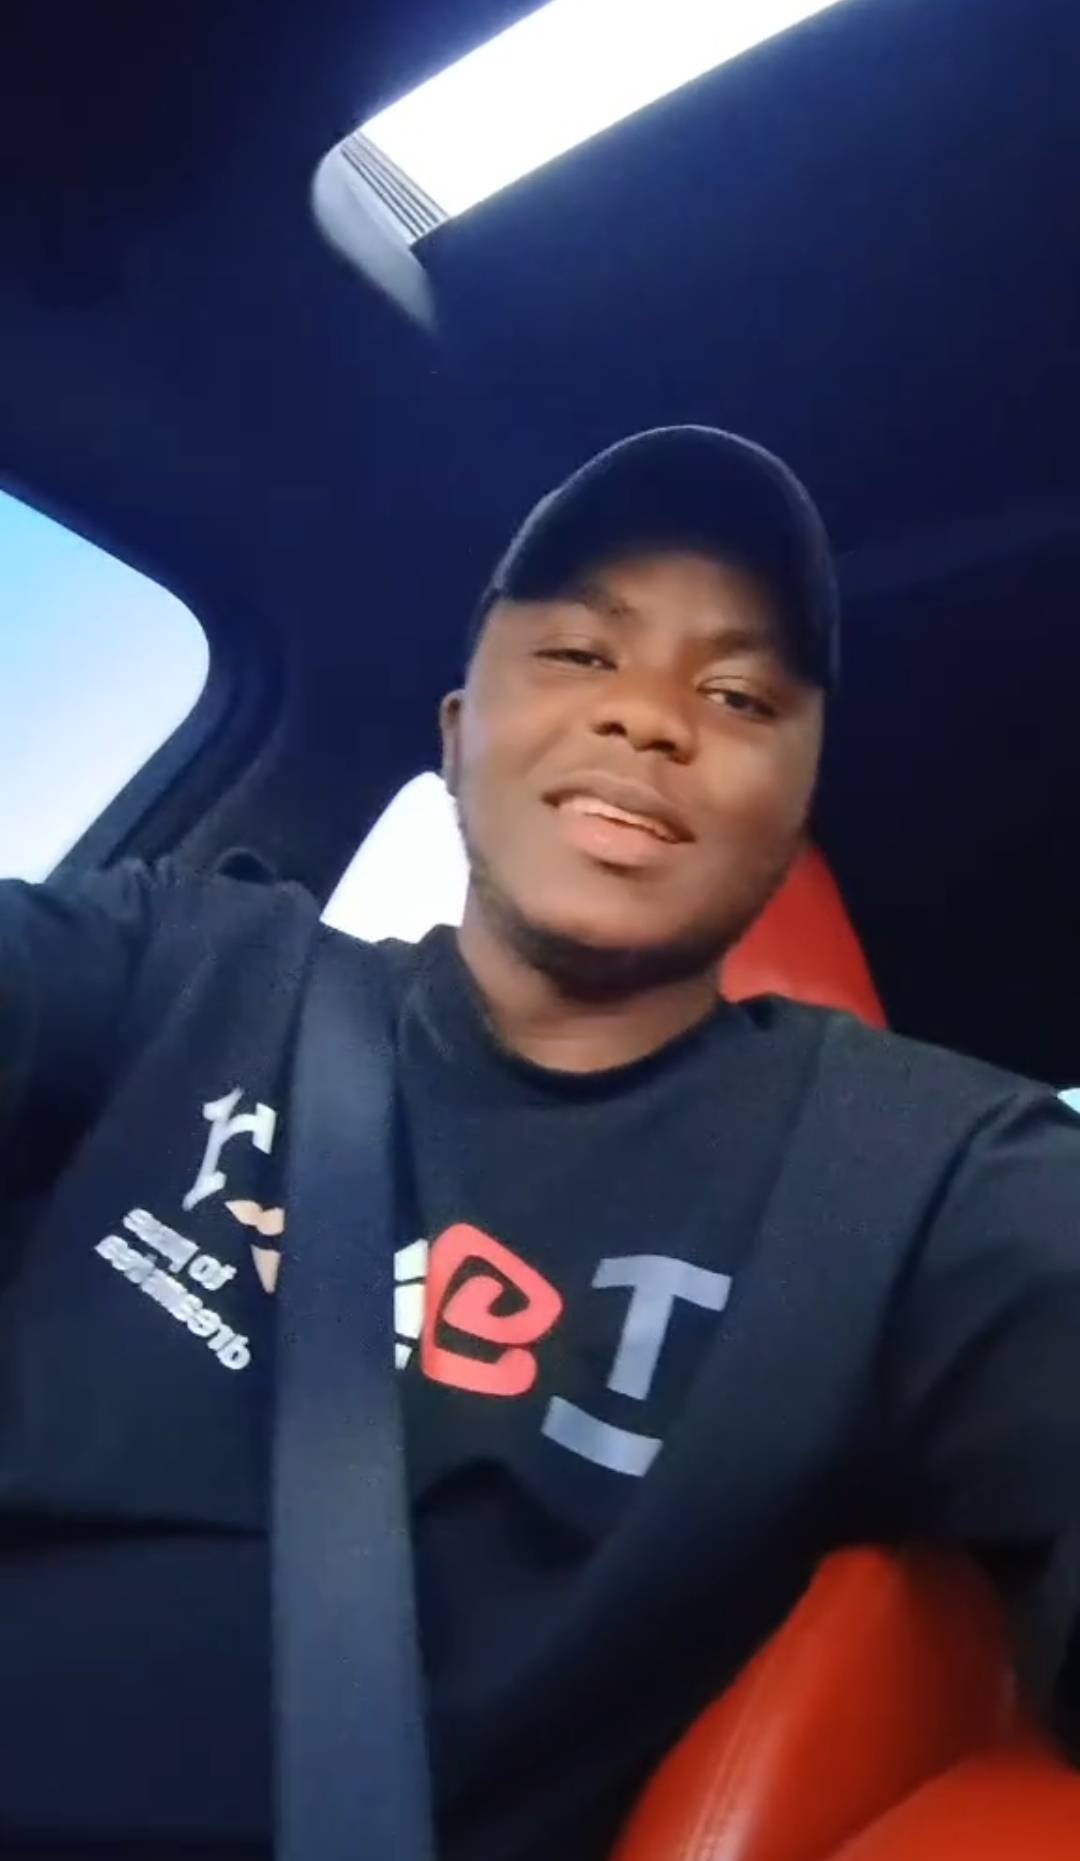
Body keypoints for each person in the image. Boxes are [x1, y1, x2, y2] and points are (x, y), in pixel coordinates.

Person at [1, 425, 1079, 1861]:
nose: (647, 717)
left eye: (738, 694)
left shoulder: (921, 1179)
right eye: (578, 653)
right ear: (457, 732)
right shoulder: (183, 964)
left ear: (796, 801)